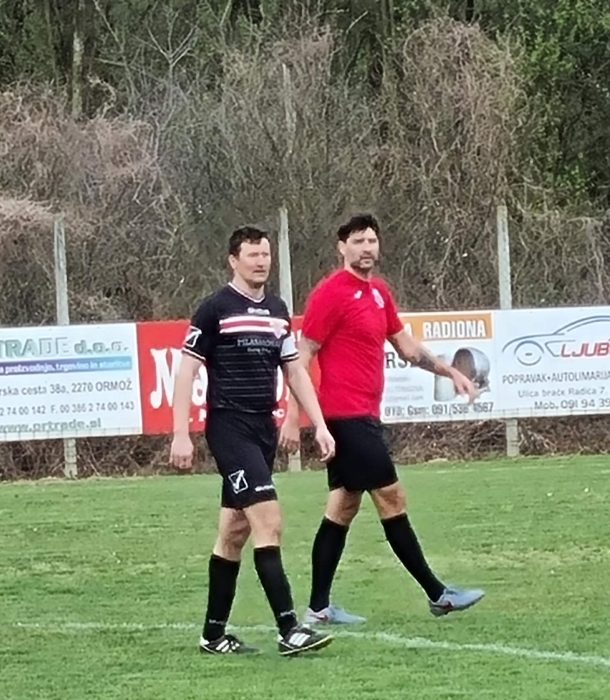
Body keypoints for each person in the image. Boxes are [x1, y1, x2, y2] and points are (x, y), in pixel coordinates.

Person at [280, 213, 485, 625]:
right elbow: (301, 357)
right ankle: (438, 594)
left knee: (342, 508)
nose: (367, 248)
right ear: (342, 247)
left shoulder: (379, 293)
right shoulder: (330, 294)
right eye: (358, 241)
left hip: (366, 416)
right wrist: (292, 415)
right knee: (392, 497)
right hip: (345, 416)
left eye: (372, 240)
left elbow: (408, 349)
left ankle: (319, 608)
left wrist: (451, 372)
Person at [170, 225, 336, 655]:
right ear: (233, 260)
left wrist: (318, 424)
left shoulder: (278, 310)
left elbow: (294, 370)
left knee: (234, 532)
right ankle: (289, 629)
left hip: (263, 430)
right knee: (269, 521)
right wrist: (181, 433)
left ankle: (212, 636)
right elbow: (186, 370)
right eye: (252, 255)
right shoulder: (215, 309)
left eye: (265, 255)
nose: (261, 262)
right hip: (230, 429)